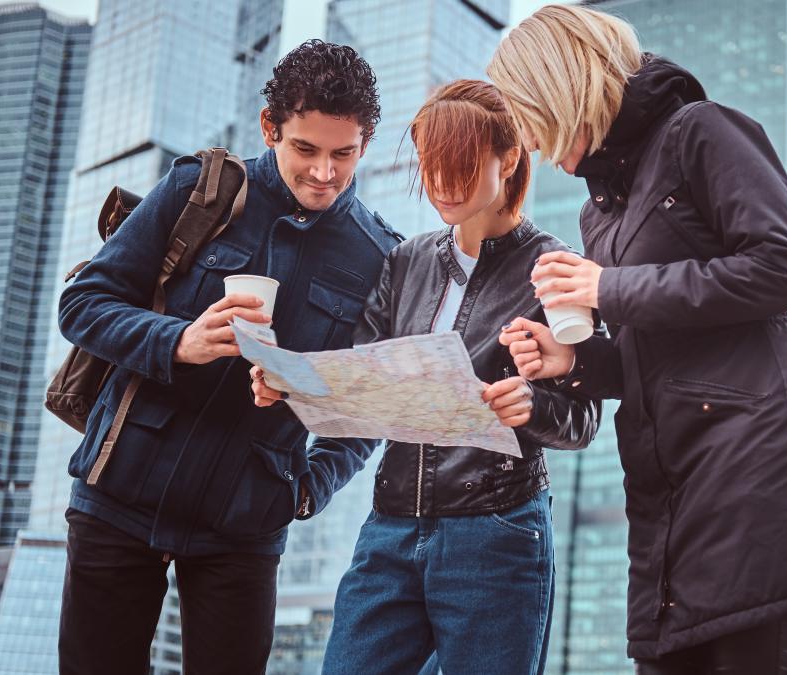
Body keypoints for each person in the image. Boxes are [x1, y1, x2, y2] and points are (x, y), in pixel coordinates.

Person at [488, 5, 787, 673]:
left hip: (756, 472)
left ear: (565, 87)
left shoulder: (702, 132)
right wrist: (574, 360)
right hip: (671, 496)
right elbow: (655, 354)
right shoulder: (598, 211)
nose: (538, 148)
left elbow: (785, 267)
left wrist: (607, 289)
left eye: (535, 120)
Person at [55, 40, 401, 674]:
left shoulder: (378, 257)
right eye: (305, 149)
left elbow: (366, 409)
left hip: (245, 525)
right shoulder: (201, 191)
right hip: (121, 494)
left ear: (365, 144)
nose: (324, 173)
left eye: (342, 154)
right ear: (271, 128)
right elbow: (82, 305)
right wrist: (178, 341)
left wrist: (306, 490)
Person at [251, 79, 601, 675]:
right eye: (430, 166)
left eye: (460, 166)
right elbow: (366, 383)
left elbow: (584, 420)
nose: (441, 183)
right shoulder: (406, 260)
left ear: (508, 157)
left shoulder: (553, 269)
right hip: (389, 529)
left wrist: (531, 408)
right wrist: (294, 389)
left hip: (497, 535)